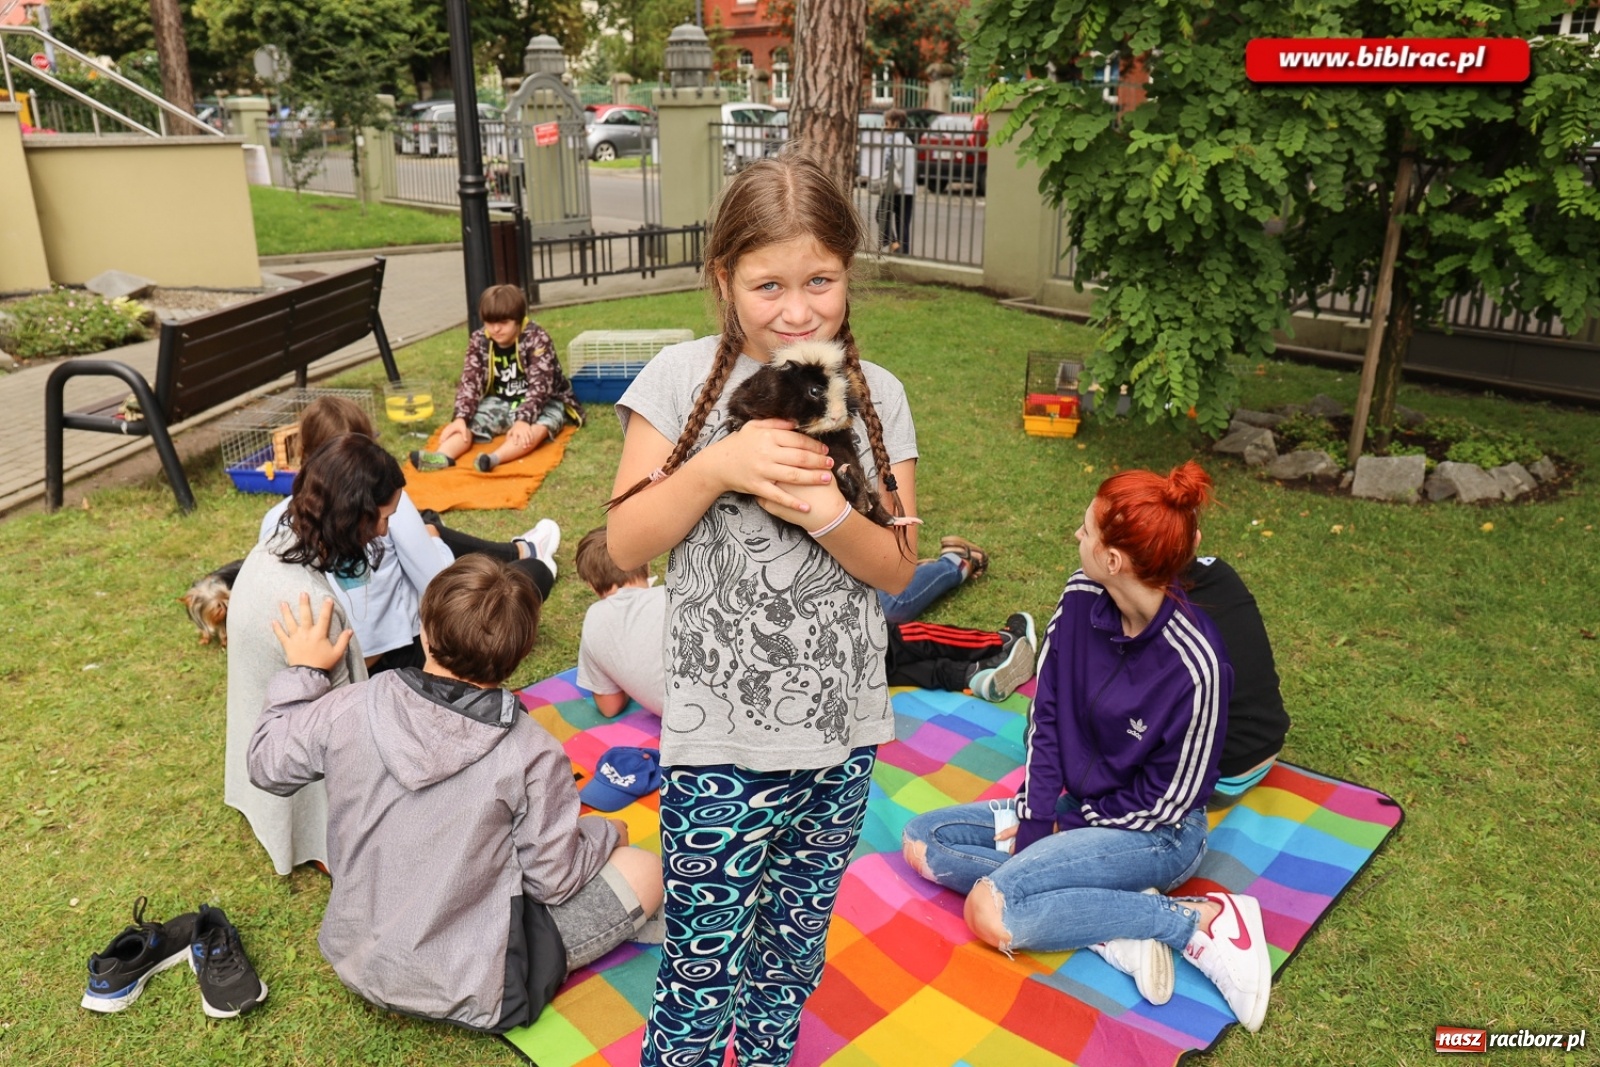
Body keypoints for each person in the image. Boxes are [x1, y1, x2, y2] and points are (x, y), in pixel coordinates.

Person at [603, 152, 920, 1066]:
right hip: (718, 745)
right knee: (700, 978)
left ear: (849, 275)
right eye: (768, 283)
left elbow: (898, 568)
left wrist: (826, 512)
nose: (797, 309)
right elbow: (623, 546)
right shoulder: (674, 379)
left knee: (788, 960)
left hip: (841, 736)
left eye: (820, 280)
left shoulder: (879, 396)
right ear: (724, 279)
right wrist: (716, 467)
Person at [900, 462, 1275, 1034]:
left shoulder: (1198, 665)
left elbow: (1170, 802)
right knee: (925, 841)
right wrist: (1036, 820)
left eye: (1086, 530)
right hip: (1080, 809)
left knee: (995, 911)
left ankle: (1193, 922)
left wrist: (1067, 827)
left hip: (1155, 835)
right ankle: (1107, 923)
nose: (1077, 537)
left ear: (1114, 560)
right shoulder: (1079, 598)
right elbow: (1045, 718)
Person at [247, 555, 664, 1033]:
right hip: (477, 988)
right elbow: (554, 879)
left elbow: (266, 763)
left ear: (424, 631)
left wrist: (304, 670)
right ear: (522, 653)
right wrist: (606, 835)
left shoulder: (349, 705)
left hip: (357, 955)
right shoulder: (531, 752)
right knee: (644, 867)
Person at [574, 525, 1035, 718]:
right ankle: (994, 638)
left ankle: (972, 673)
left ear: (595, 587)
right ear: (642, 568)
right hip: (787, 675)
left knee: (877, 662)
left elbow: (609, 706)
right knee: (885, 635)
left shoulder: (595, 625)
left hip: (776, 706)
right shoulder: (678, 593)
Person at [260, 395, 559, 674]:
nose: (382, 531)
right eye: (381, 519)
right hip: (394, 658)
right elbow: (438, 582)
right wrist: (433, 542)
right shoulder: (382, 508)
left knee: (430, 527)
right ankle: (524, 553)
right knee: (524, 575)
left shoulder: (277, 521)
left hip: (320, 662)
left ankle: (518, 550)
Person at [226, 434, 402, 875]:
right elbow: (347, 741)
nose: (384, 531)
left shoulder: (268, 550)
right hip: (299, 771)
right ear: (354, 515)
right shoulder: (316, 610)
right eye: (382, 518)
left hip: (262, 745)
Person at [411, 284, 583, 473]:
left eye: (503, 322)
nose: (495, 329)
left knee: (540, 427)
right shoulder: (479, 340)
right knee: (468, 424)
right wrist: (460, 417)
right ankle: (442, 456)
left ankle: (494, 459)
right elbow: (470, 381)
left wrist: (523, 420)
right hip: (500, 401)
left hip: (544, 403)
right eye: (489, 322)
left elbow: (540, 386)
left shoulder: (537, 338)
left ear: (518, 319)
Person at [1186, 556, 1291, 807]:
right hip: (1264, 747)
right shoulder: (1215, 572)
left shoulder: (1146, 607)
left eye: (1091, 532)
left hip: (1217, 778)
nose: (1079, 534)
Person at [860, 109, 917, 255]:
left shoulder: (893, 139)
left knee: (880, 215)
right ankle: (902, 253)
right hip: (908, 188)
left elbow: (893, 162)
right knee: (902, 224)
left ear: (895, 124)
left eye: (887, 123)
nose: (884, 126)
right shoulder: (907, 140)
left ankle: (894, 244)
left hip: (895, 187)